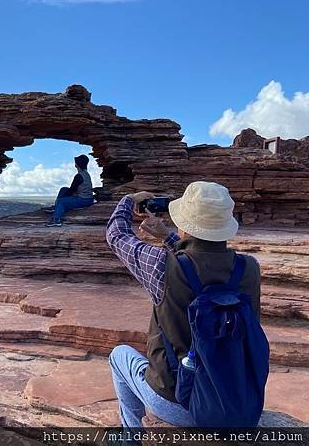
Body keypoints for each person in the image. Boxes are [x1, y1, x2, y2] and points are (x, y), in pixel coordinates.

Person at [105, 181, 262, 430]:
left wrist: (128, 200)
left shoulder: (161, 264)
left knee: (119, 355)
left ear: (186, 225)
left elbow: (116, 235)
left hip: (177, 403)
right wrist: (168, 237)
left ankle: (131, 438)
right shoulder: (249, 269)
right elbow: (201, 264)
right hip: (234, 402)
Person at [45, 154, 95, 227]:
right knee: (63, 189)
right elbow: (72, 189)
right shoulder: (85, 173)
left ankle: (56, 220)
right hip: (87, 198)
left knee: (61, 202)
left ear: (77, 164)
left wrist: (61, 200)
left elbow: (71, 190)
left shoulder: (79, 176)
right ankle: (56, 208)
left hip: (83, 200)